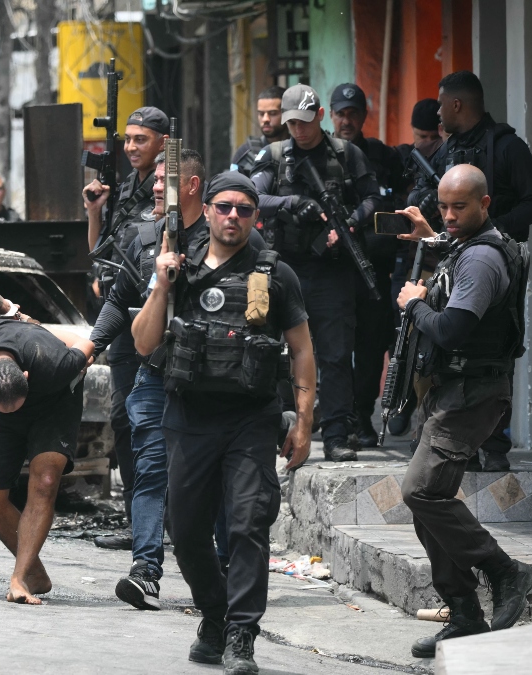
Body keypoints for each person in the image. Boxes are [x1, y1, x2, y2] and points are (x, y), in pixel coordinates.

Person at [132, 171, 314, 675]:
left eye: (244, 209)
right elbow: (144, 344)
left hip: (250, 419)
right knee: (185, 530)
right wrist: (160, 285)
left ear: (255, 217)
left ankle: (241, 634)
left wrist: (303, 419)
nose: (234, 216)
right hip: (189, 417)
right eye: (225, 207)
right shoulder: (179, 267)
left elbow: (301, 349)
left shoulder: (274, 273)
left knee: (247, 524)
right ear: (207, 209)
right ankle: (213, 614)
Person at [89, 148, 251, 610]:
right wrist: (89, 347)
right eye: (155, 179)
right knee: (150, 474)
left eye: (165, 179)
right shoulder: (144, 238)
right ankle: (145, 571)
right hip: (156, 376)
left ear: (193, 186)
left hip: (211, 382)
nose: (155, 186)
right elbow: (119, 301)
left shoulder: (225, 239)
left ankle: (219, 573)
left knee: (215, 478)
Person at [393, 164, 532, 658]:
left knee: (420, 491)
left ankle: (504, 570)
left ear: (485, 204)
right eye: (444, 207)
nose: (449, 216)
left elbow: (452, 329)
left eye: (460, 208)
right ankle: (466, 615)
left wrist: (413, 305)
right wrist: (431, 237)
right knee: (427, 505)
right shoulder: (469, 245)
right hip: (453, 391)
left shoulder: (481, 261)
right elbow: (455, 253)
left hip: (471, 394)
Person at [413, 70, 532, 471]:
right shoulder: (448, 149)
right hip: (456, 261)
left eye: (440, 104)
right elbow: (435, 203)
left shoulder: (507, 147)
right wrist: (436, 230)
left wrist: (491, 235)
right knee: (451, 345)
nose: (437, 113)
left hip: (496, 263)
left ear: (457, 104)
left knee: (492, 347)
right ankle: (459, 443)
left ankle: (495, 446)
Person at [0, 274, 95, 605]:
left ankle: (20, 577)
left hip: (54, 402)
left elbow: (87, 345)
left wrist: (41, 332)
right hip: (7, 390)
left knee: (45, 479)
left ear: (27, 378)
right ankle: (36, 573)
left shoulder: (53, 365)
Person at [250, 83, 381, 461]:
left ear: (320, 116)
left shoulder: (345, 154)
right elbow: (253, 197)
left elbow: (373, 197)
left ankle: (338, 434)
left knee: (336, 354)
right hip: (284, 267)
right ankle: (278, 428)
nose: (299, 130)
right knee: (272, 352)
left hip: (332, 270)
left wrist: (351, 223)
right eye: (291, 123)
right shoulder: (275, 155)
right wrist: (292, 201)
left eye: (305, 123)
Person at [82, 106, 168, 549]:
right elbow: (100, 253)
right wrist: (95, 211)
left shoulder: (172, 187)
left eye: (141, 139)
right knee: (124, 417)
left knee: (162, 418)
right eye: (128, 140)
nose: (131, 147)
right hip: (121, 314)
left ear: (162, 142)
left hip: (160, 318)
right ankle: (140, 523)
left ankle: (170, 519)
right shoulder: (124, 186)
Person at [329, 83, 410, 448]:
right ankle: (340, 417)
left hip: (374, 268)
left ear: (363, 116)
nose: (347, 120)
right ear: (331, 116)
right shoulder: (319, 154)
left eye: (353, 114)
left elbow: (401, 202)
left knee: (372, 344)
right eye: (341, 113)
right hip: (332, 267)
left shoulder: (382, 156)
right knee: (334, 347)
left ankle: (362, 415)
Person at [385, 98, 444, 439]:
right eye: (416, 135)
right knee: (403, 337)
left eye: (426, 136)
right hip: (410, 261)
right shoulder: (413, 162)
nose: (419, 143)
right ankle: (401, 402)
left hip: (437, 263)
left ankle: (421, 413)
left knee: (426, 344)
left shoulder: (450, 164)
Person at [230, 86, 289, 175]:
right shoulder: (245, 153)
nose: (265, 119)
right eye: (261, 114)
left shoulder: (300, 147)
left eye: (273, 113)